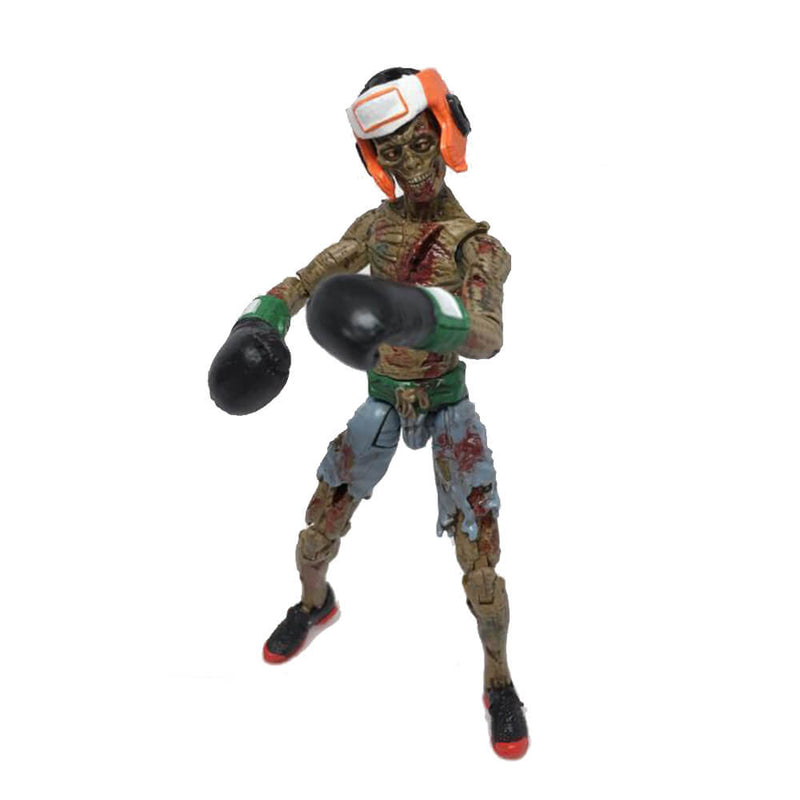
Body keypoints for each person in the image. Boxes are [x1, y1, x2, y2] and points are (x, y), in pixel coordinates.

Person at [209, 67, 528, 759]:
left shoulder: (475, 245)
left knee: (480, 565)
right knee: (316, 532)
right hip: (382, 398)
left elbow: (487, 334)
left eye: (419, 143)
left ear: (445, 133)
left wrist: (413, 312)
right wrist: (260, 322)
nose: (411, 163)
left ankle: (499, 680)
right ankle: (314, 605)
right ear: (375, 160)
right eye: (393, 152)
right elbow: (306, 279)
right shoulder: (376, 228)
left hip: (446, 403)